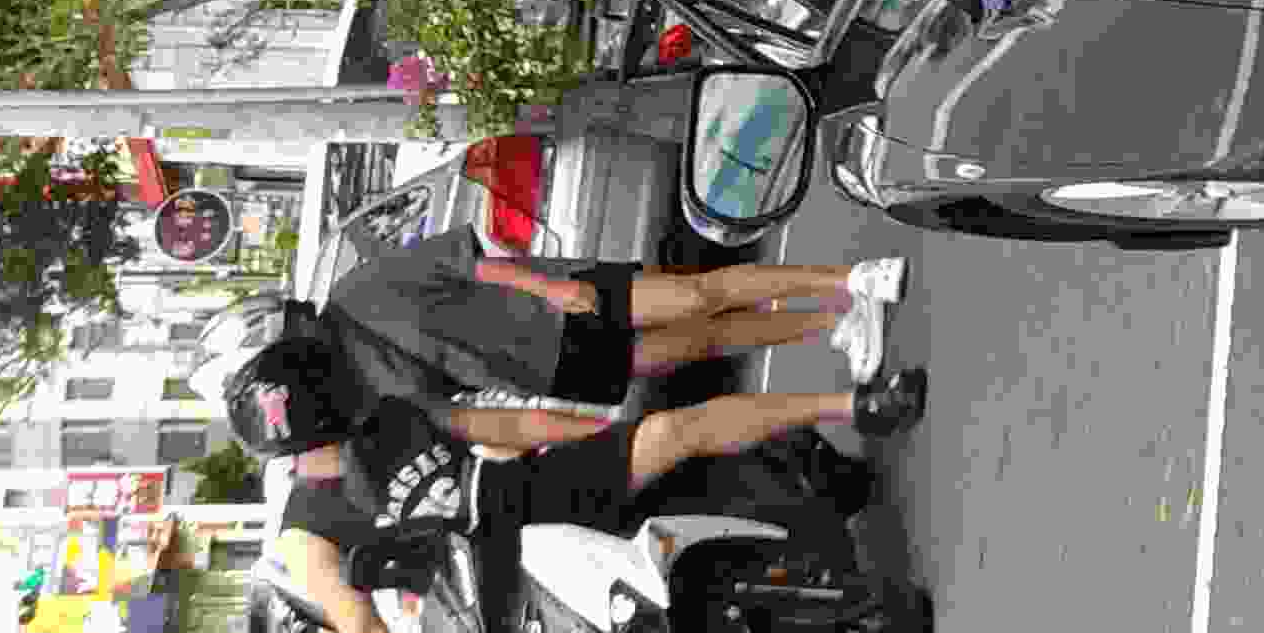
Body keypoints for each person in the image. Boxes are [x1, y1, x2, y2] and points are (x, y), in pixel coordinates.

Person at [237, 325, 927, 633]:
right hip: (495, 604)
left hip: (519, 498)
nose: (310, 458)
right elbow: (358, 629)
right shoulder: (304, 532)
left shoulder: (385, 417)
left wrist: (600, 434)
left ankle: (857, 404)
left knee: (671, 433)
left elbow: (500, 426)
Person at [311, 240, 909, 421]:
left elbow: (462, 264)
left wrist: (551, 288)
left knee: (698, 295)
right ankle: (836, 321)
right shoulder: (353, 389)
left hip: (556, 306)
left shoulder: (358, 291)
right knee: (707, 341)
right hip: (547, 369)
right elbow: (449, 394)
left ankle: (853, 276)